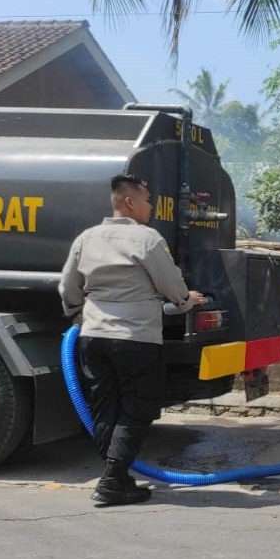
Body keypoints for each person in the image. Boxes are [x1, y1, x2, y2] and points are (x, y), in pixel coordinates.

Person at [59, 174, 205, 507]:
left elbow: (67, 287)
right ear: (130, 202)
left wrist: (82, 316)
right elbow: (171, 284)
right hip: (136, 338)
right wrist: (185, 300)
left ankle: (119, 479)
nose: (151, 205)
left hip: (93, 337)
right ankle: (111, 483)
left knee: (104, 408)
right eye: (147, 199)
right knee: (137, 410)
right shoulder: (146, 239)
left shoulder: (87, 238)